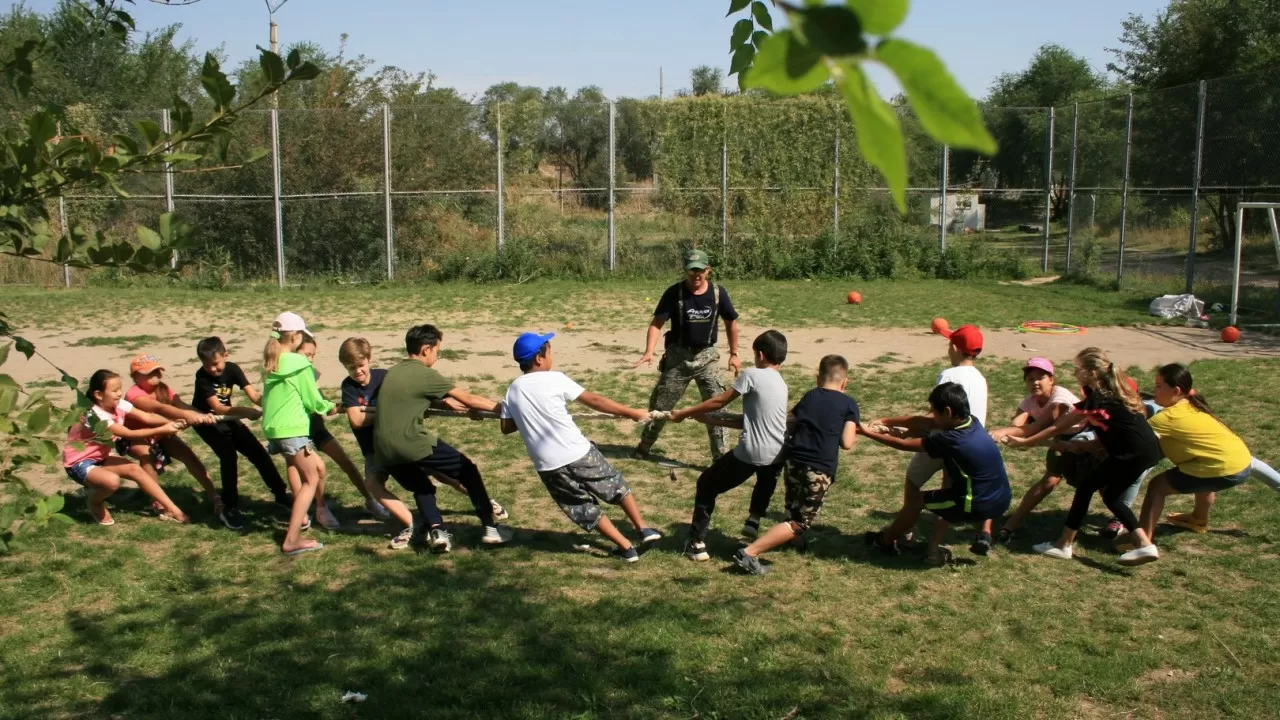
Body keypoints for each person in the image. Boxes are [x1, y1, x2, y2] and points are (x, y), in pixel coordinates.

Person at [499, 332, 663, 562]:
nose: (551, 355)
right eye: (549, 351)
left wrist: (523, 414)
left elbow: (506, 428)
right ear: (539, 358)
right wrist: (631, 412)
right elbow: (595, 400)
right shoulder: (555, 378)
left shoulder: (512, 390)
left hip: (548, 465)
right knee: (614, 485)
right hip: (578, 453)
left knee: (582, 507)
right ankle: (643, 528)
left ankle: (626, 548)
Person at [337, 336, 508, 550]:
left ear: (369, 359)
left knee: (441, 477)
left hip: (396, 443)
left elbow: (417, 397)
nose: (358, 372)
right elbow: (356, 419)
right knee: (383, 484)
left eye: (361, 365)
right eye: (351, 368)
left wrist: (451, 406)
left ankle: (475, 508)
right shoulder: (350, 387)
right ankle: (415, 524)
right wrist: (391, 412)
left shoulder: (386, 377)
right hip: (378, 449)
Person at [1007, 347, 1164, 566]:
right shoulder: (1112, 392)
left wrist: (1025, 441)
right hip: (1148, 451)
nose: (1074, 373)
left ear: (1092, 372)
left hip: (1131, 453)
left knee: (1087, 489)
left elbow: (1056, 428)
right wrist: (1082, 446)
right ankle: (1144, 544)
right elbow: (1117, 430)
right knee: (1109, 496)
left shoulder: (1097, 399)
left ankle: (1064, 545)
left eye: (1078, 369)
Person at [732, 354, 860, 576]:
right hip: (819, 468)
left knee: (793, 505)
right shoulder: (848, 404)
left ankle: (792, 541)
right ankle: (749, 553)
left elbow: (790, 421)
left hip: (794, 461)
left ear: (817, 377)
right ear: (845, 382)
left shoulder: (810, 396)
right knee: (801, 521)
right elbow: (847, 443)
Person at [861, 382, 1012, 567]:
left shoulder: (952, 440)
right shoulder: (972, 421)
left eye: (934, 411)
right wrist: (886, 421)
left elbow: (904, 445)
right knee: (946, 494)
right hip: (1001, 498)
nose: (932, 415)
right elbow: (927, 422)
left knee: (916, 501)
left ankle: (883, 542)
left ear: (947, 412)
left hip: (976, 504)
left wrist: (865, 432)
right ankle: (925, 544)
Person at [670, 330, 788, 562]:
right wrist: (712, 420)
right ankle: (754, 519)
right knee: (766, 474)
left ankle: (697, 544)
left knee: (706, 484)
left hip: (752, 452)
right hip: (778, 454)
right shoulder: (781, 383)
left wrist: (685, 412)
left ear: (760, 355)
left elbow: (721, 400)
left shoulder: (753, 374)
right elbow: (752, 421)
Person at [869, 324, 989, 549]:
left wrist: (907, 430)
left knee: (913, 479)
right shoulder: (981, 379)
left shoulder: (949, 375)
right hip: (968, 447)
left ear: (954, 347)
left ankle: (906, 528)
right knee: (948, 494)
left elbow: (937, 416)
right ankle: (933, 548)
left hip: (943, 441)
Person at [632, 248, 741, 460]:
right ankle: (644, 446)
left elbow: (731, 323)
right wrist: (648, 351)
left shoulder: (719, 294)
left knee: (716, 407)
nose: (696, 276)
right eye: (692, 271)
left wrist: (734, 353)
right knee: (661, 405)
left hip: (707, 358)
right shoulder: (674, 293)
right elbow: (657, 324)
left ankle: (720, 458)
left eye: (700, 271)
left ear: (708, 270)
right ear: (685, 272)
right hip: (678, 359)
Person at [1134, 363, 1253, 542]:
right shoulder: (1192, 404)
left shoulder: (1167, 417)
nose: (1154, 390)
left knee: (1157, 487)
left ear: (1176, 391)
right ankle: (1198, 520)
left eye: (1159, 386)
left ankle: (1141, 541)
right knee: (1202, 477)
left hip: (1222, 468)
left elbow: (1133, 440)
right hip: (1242, 463)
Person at [987, 357, 1099, 546]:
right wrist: (1006, 433)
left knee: (1098, 483)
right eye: (1030, 379)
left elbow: (1036, 427)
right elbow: (1017, 423)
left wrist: (1002, 433)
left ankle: (1119, 521)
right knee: (1049, 481)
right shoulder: (1030, 401)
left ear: (1052, 379)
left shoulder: (1059, 400)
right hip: (1060, 439)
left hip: (1087, 438)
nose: (1035, 382)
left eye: (1041, 377)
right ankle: (1009, 527)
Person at [190, 336, 294, 530]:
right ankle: (229, 507)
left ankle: (281, 495)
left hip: (229, 418)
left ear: (225, 355)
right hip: (206, 421)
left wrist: (275, 403)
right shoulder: (201, 377)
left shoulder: (232, 369)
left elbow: (254, 396)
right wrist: (245, 412)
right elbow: (217, 408)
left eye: (215, 363)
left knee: (258, 453)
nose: (212, 369)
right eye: (207, 365)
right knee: (228, 456)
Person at [63, 369, 190, 525]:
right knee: (112, 482)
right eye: (114, 390)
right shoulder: (93, 416)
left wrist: (171, 421)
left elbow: (147, 416)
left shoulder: (118, 404)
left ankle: (172, 509)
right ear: (98, 394)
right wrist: (164, 429)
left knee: (136, 470)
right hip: (78, 463)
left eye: (120, 389)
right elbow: (128, 433)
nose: (119, 393)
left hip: (99, 458)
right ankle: (94, 502)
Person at [261, 312, 338, 556]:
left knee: (312, 470)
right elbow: (314, 400)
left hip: (274, 430)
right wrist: (331, 407)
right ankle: (292, 539)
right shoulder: (299, 363)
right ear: (295, 336)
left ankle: (301, 520)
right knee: (311, 480)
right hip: (293, 431)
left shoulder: (273, 361)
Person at [295, 333, 389, 527]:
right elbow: (313, 403)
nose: (310, 359)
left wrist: (332, 406)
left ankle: (370, 501)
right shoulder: (288, 372)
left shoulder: (310, 372)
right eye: (306, 355)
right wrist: (330, 407)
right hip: (297, 430)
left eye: (313, 355)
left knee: (346, 462)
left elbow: (318, 398)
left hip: (316, 426)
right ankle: (317, 509)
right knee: (312, 470)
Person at [121, 354, 223, 518]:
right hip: (137, 435)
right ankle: (158, 502)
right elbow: (160, 409)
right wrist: (183, 417)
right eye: (149, 373)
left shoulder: (164, 388)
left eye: (157, 371)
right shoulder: (135, 395)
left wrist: (202, 415)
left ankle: (214, 495)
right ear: (135, 377)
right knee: (147, 456)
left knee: (188, 455)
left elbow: (181, 405)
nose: (156, 375)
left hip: (162, 432)